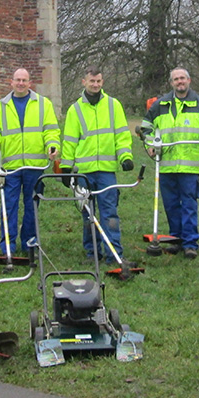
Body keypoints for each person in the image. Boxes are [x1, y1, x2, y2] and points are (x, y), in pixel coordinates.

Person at [139, 67, 199, 259]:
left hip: (189, 165)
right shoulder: (160, 104)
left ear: (189, 81)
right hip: (166, 163)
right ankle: (176, 239)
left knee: (189, 204)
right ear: (171, 83)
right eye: (176, 79)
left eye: (182, 78)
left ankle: (190, 243)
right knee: (171, 204)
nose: (179, 82)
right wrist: (150, 144)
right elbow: (146, 128)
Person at [0, 68, 61, 257]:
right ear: (12, 82)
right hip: (11, 168)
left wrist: (53, 145)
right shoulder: (1, 106)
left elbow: (51, 131)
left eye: (24, 80)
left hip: (35, 166)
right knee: (9, 206)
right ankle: (7, 246)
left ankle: (29, 243)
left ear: (30, 83)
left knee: (32, 206)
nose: (21, 83)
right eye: (18, 80)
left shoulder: (43, 104)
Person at [61, 66, 133, 263]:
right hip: (84, 172)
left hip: (107, 172)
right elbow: (69, 141)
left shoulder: (113, 105)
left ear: (102, 82)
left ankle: (114, 254)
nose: (95, 84)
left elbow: (122, 135)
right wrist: (66, 168)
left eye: (98, 81)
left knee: (110, 213)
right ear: (84, 82)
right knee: (88, 215)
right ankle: (93, 253)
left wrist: (125, 157)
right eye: (92, 81)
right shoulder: (75, 110)